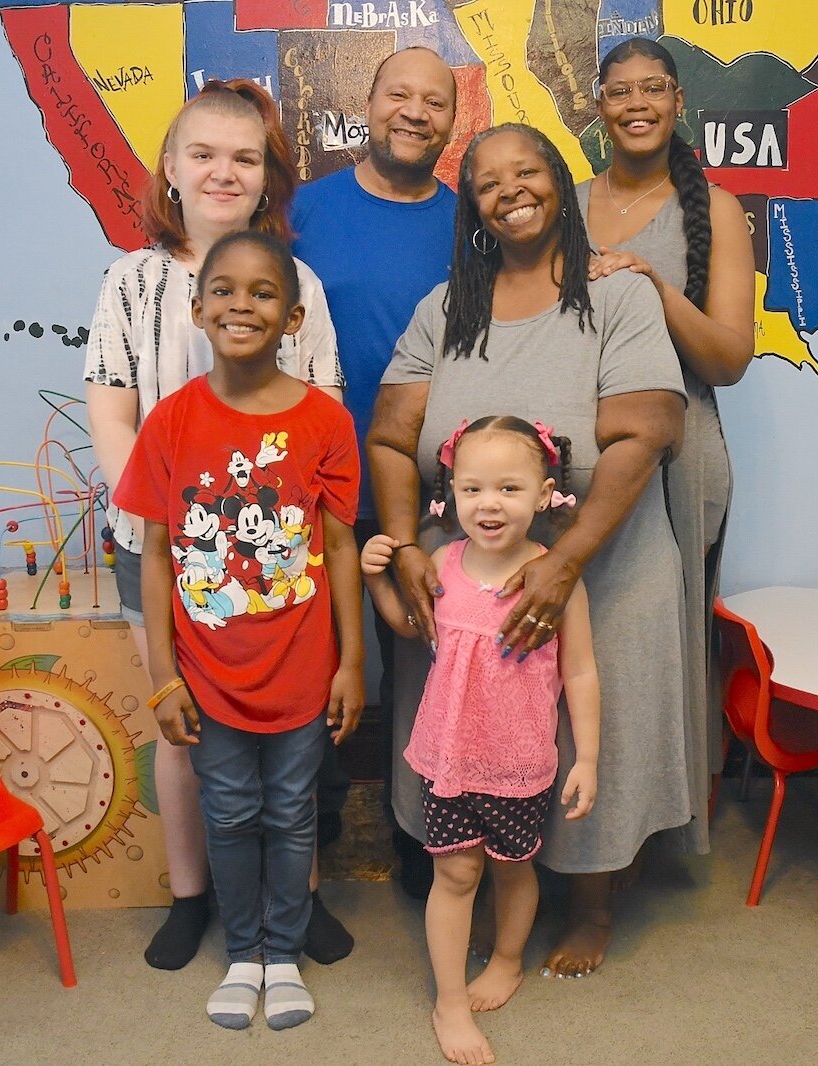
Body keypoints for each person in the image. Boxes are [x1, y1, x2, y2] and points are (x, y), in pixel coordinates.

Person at [368, 123, 688, 982]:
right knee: (479, 731)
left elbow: (645, 430)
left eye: (529, 171)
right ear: (469, 206)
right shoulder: (445, 308)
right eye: (487, 181)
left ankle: (590, 903)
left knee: (591, 721)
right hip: (465, 577)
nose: (511, 190)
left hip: (602, 563)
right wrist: (402, 546)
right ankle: (472, 879)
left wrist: (567, 561)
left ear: (560, 182)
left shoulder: (614, 296)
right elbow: (394, 439)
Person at [84, 79, 354, 970]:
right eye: (202, 153)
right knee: (186, 728)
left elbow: (321, 416)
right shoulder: (132, 280)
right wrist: (173, 519)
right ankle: (191, 895)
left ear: (267, 174)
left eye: (243, 157)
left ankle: (298, 896)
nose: (221, 172)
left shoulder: (299, 281)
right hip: (164, 548)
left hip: (278, 561)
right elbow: (113, 413)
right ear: (171, 167)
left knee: (290, 736)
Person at [113, 229, 364, 1031]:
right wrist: (162, 674)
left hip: (301, 663)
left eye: (262, 293)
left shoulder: (325, 421)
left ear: (293, 318)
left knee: (290, 811)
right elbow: (155, 557)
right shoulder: (171, 422)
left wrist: (352, 662)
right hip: (206, 670)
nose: (241, 305)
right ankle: (244, 955)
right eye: (223, 291)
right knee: (226, 811)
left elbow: (337, 545)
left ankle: (283, 954)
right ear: (196, 310)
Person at [361, 417, 600, 1065]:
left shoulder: (553, 576)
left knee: (513, 869)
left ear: (545, 493)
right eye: (471, 490)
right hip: (448, 759)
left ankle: (507, 959)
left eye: (507, 488)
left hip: (520, 765)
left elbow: (579, 670)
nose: (488, 504)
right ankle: (450, 1002)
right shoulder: (443, 561)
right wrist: (377, 580)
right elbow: (412, 630)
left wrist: (590, 760)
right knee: (455, 872)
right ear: (452, 495)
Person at [578, 38, 757, 867]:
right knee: (587, 640)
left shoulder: (713, 208)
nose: (637, 103)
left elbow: (726, 358)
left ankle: (666, 829)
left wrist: (650, 288)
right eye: (621, 91)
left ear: (678, 102)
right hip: (586, 452)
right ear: (598, 104)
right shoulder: (569, 202)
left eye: (653, 89)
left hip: (683, 453)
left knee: (668, 647)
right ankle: (587, 820)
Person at [291, 45, 459, 895]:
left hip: (423, 492)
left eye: (435, 101)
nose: (415, 112)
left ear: (450, 122)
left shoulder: (471, 221)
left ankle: (418, 839)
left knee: (421, 666)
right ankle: (307, 854)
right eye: (400, 94)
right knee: (314, 667)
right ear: (370, 101)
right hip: (312, 486)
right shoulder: (301, 212)